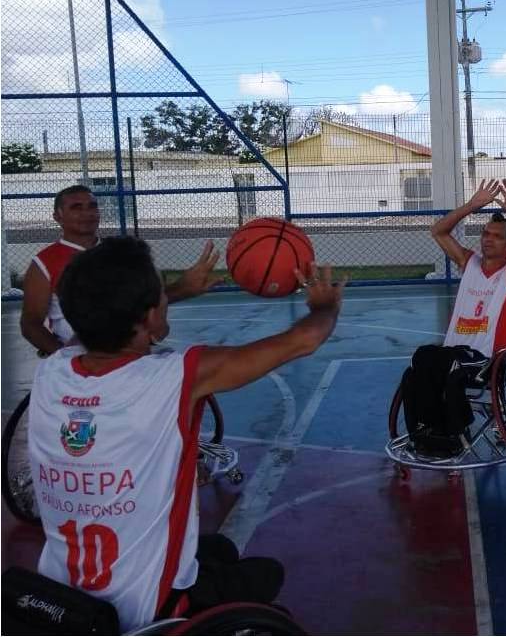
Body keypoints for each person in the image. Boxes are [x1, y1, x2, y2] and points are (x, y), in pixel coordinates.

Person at [27, 236, 344, 631]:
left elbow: (98, 322)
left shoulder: (52, 370)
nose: (165, 299)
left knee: (220, 548)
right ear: (147, 316)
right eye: (162, 295)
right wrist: (325, 306)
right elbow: (305, 338)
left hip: (64, 598)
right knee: (267, 572)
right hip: (148, 607)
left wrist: (174, 292)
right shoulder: (173, 378)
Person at [400, 178, 506, 454]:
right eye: (485, 233)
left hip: (487, 359)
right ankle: (424, 430)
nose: (487, 238)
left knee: (449, 369)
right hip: (454, 352)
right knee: (419, 361)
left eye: (496, 235)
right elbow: (438, 231)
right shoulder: (468, 262)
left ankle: (452, 434)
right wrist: (472, 205)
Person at [20, 185, 220, 355]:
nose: (87, 213)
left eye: (92, 206)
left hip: (132, 356)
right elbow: (31, 324)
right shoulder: (44, 263)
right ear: (57, 216)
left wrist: (184, 288)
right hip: (82, 357)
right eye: (76, 207)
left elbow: (137, 303)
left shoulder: (119, 252)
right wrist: (63, 358)